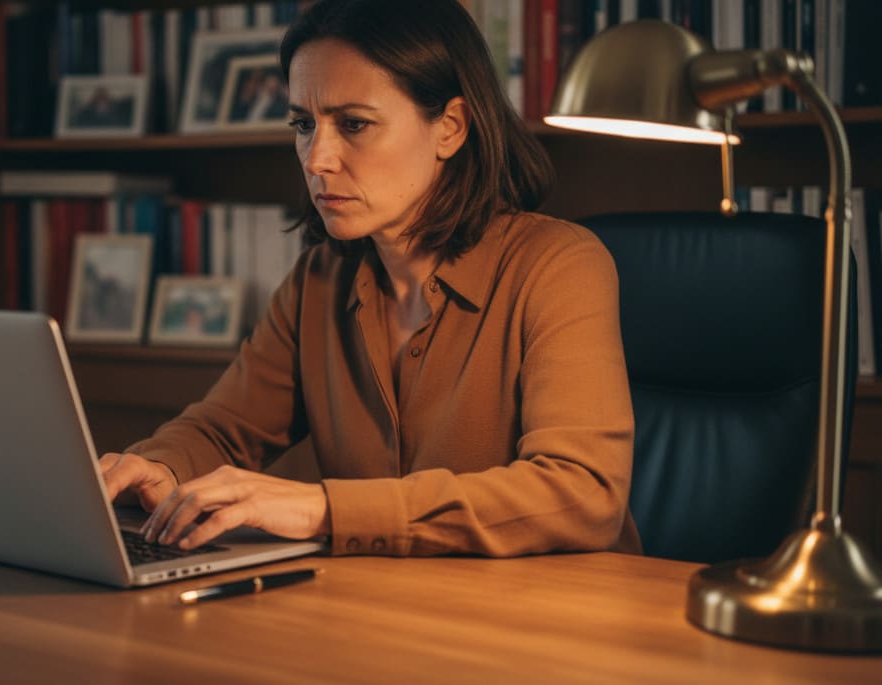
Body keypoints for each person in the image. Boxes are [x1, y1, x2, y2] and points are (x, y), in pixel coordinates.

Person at [100, 0, 640, 558]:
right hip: (391, 609)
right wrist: (156, 466)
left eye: (354, 124)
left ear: (450, 128)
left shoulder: (559, 264)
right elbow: (224, 428)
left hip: (558, 617)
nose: (317, 159)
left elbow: (583, 493)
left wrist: (325, 509)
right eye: (304, 125)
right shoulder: (319, 280)